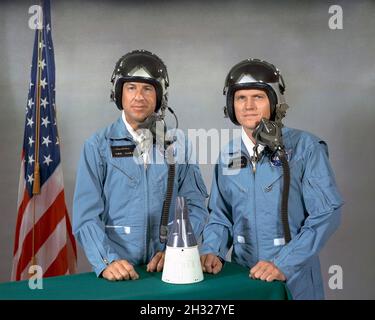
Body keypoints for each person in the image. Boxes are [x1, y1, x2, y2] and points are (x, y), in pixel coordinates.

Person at [199, 58, 344, 299]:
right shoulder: (228, 156)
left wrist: (283, 264)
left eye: (258, 97)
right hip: (244, 278)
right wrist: (212, 250)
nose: (248, 106)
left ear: (274, 102)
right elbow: (220, 215)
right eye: (240, 98)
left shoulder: (306, 148)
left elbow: (326, 213)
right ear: (230, 106)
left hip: (294, 278)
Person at [73, 50, 208, 281]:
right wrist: (107, 260)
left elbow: (195, 205)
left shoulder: (178, 145)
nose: (139, 97)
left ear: (160, 96)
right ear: (119, 94)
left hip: (169, 269)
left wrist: (178, 250)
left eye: (147, 88)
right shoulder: (98, 146)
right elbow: (86, 217)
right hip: (118, 270)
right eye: (131, 88)